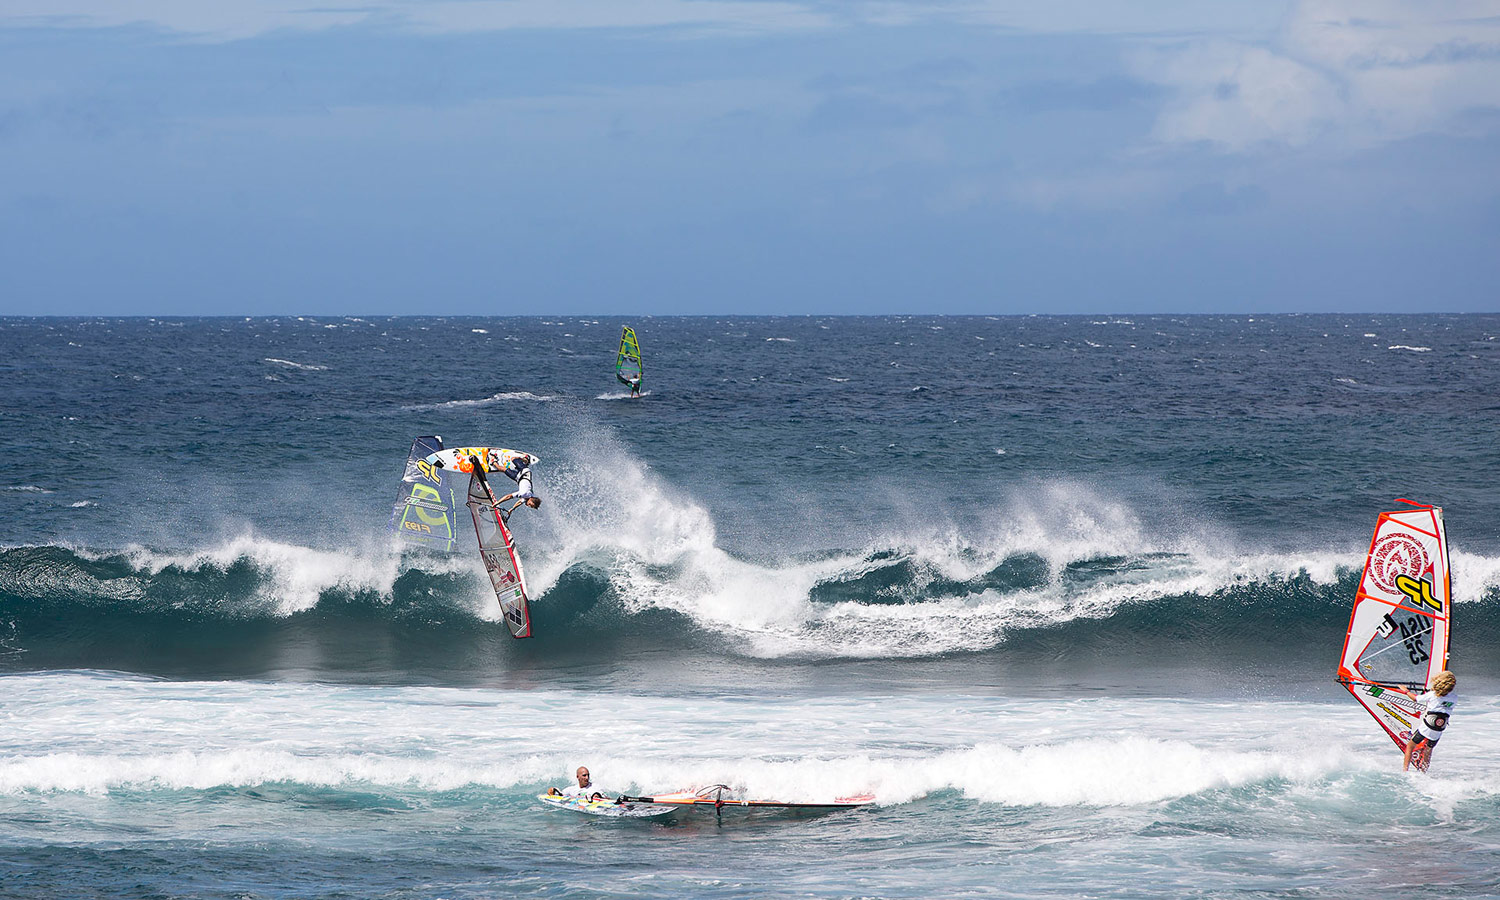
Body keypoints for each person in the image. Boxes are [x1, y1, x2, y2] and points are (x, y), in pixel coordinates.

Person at [1399, 670, 1457, 772]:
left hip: (1427, 726)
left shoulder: (1432, 694)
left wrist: (1406, 691)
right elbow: (1443, 702)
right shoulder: (1454, 698)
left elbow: (1415, 699)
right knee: (1428, 750)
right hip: (1439, 729)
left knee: (1410, 746)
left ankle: (1405, 771)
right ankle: (1423, 773)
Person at [496, 452, 541, 517]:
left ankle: (494, 461)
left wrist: (511, 509)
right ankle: (525, 459)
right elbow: (508, 497)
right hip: (525, 472)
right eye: (530, 505)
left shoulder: (528, 497)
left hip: (518, 477)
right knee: (513, 458)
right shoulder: (524, 493)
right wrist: (496, 504)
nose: (528, 505)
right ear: (531, 499)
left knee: (503, 469)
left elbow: (520, 502)